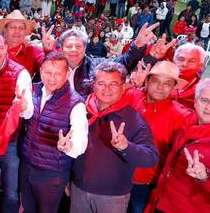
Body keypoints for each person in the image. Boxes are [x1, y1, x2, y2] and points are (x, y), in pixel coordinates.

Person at [71, 62, 159, 213]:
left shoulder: (133, 118)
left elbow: (151, 157)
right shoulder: (81, 109)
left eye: (113, 84)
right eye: (101, 83)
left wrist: (126, 147)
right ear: (93, 85)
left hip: (113, 197)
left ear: (123, 86)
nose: (106, 89)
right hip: (78, 189)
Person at [19, 52, 88, 213]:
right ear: (40, 71)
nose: (51, 78)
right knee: (28, 208)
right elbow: (27, 113)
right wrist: (21, 109)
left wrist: (69, 145)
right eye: (47, 72)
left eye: (58, 73)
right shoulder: (33, 89)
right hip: (27, 165)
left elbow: (81, 138)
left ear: (67, 74)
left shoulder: (75, 103)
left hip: (51, 173)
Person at [123, 61, 192, 213]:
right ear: (146, 81)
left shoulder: (182, 116)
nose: (160, 87)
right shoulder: (132, 95)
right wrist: (130, 83)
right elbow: (106, 95)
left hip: (145, 185)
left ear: (174, 87)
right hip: (116, 176)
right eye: (155, 81)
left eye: (167, 83)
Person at [0, 32, 33, 213]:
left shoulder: (20, 73)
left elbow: (29, 112)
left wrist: (23, 106)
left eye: (1, 48)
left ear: (6, 48)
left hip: (9, 141)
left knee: (11, 191)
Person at [147, 78, 210, 212]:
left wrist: (205, 177)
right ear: (195, 101)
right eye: (205, 100)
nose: (208, 108)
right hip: (161, 200)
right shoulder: (186, 120)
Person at [56, 24, 158, 98]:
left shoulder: (96, 65)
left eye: (78, 46)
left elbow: (124, 62)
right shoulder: (53, 69)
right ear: (61, 49)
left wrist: (137, 45)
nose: (74, 49)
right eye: (69, 46)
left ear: (85, 48)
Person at [0, 10, 45, 77]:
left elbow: (48, 65)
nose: (17, 31)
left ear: (25, 32)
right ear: (5, 29)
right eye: (12, 27)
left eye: (21, 28)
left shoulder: (32, 51)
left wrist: (48, 51)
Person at [172, 43, 206, 109]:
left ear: (200, 66)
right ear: (174, 61)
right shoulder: (160, 82)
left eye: (191, 61)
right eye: (181, 59)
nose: (184, 64)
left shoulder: (204, 93)